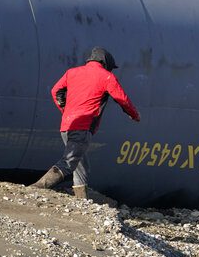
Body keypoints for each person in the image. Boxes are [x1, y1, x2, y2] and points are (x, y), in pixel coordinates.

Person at [32, 46, 140, 197]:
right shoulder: (106, 77)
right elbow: (122, 99)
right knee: (69, 162)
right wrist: (134, 115)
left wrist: (65, 110)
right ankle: (37, 187)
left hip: (66, 125)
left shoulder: (72, 72)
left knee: (80, 163)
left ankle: (81, 199)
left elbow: (55, 91)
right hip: (82, 127)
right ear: (105, 63)